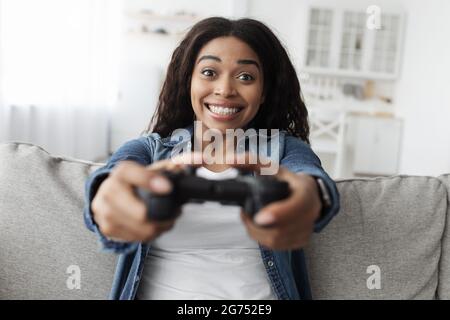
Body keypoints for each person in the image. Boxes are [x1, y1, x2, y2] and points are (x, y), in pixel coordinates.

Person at [83, 17, 340, 300]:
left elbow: (310, 179)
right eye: (209, 72)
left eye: (246, 77)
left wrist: (311, 197)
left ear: (264, 90)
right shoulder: (149, 151)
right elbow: (112, 177)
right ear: (188, 81)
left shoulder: (285, 151)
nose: (225, 89)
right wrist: (104, 197)